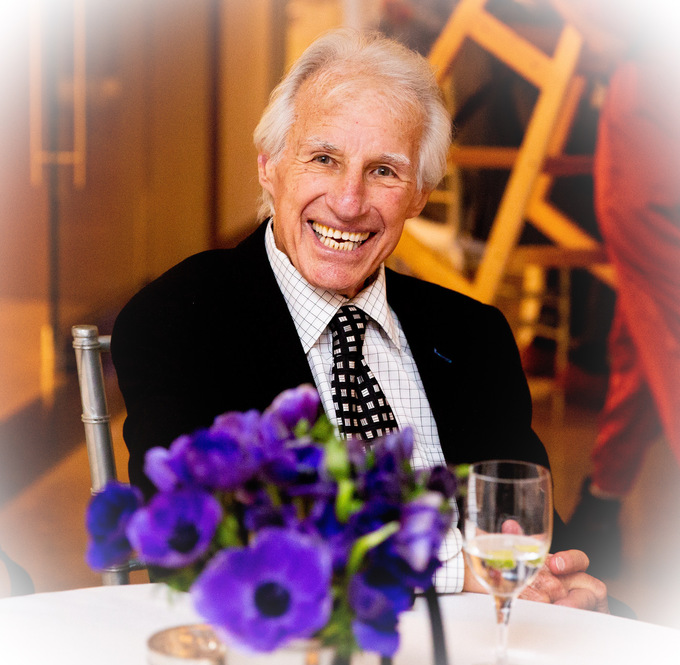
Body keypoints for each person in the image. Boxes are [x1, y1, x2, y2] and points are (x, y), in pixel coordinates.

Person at [111, 29, 608, 612]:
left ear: (419, 194)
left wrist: (571, 591)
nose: (348, 203)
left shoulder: (475, 336)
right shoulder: (179, 319)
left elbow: (524, 529)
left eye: (384, 171)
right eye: (324, 159)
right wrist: (455, 566)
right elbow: (203, 541)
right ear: (269, 166)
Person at [549, 0, 680, 578]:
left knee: (665, 326)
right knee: (644, 323)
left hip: (653, 102)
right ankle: (601, 505)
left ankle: (601, 508)